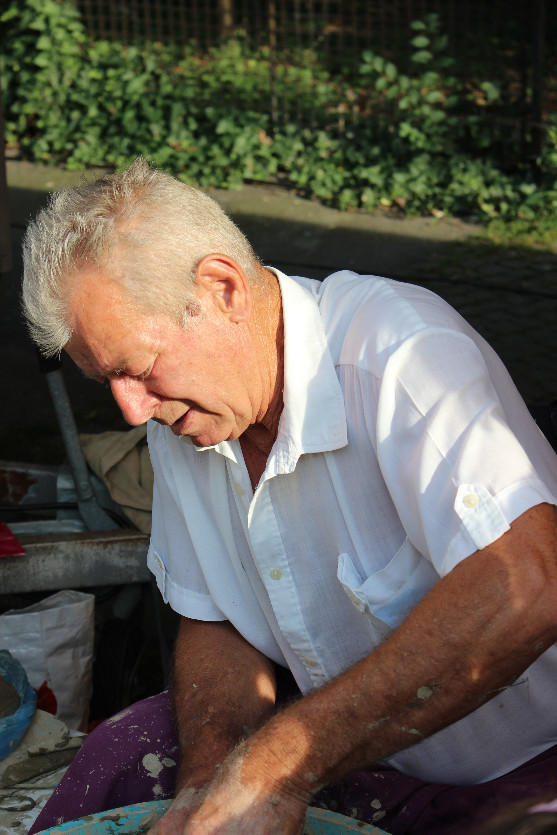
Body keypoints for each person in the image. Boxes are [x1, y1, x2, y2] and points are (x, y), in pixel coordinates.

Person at [22, 158, 557, 835]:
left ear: (221, 288)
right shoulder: (183, 415)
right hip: (345, 750)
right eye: (108, 382)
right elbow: (215, 618)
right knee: (127, 753)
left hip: (519, 767)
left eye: (138, 369)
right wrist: (207, 786)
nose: (131, 410)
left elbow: (531, 583)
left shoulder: (398, 353)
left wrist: (278, 765)